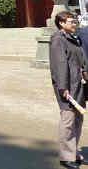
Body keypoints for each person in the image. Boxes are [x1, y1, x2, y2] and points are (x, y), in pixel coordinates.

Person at [50, 11, 87, 168]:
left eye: (74, 21)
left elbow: (82, 60)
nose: (74, 24)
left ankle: (73, 152)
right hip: (67, 87)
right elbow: (60, 64)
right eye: (71, 21)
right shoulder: (58, 39)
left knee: (78, 119)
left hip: (79, 85)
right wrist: (63, 87)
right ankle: (66, 157)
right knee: (68, 120)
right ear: (61, 23)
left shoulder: (74, 38)